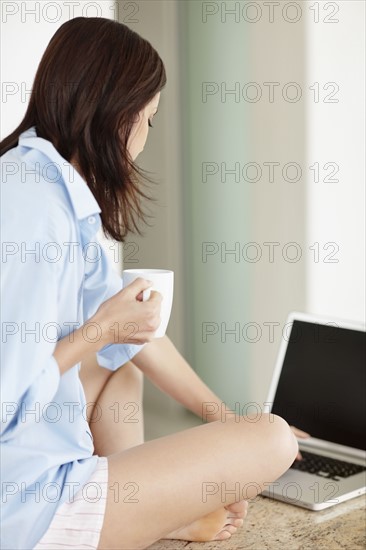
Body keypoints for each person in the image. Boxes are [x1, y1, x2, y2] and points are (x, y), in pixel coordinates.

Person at [0, 17, 304, 550]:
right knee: (274, 438)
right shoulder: (33, 211)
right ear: (120, 116)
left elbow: (134, 339)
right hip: (20, 503)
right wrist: (100, 330)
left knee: (120, 369)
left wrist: (224, 419)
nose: (143, 141)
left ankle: (145, 515)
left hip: (28, 460)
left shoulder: (50, 188)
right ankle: (141, 520)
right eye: (150, 122)